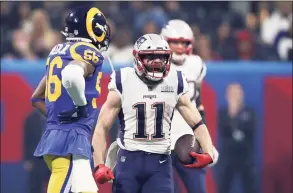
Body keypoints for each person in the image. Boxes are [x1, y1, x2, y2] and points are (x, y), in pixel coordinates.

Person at [91, 33, 215, 193]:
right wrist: (98, 164)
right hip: (129, 161)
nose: (157, 62)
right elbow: (102, 127)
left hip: (160, 163)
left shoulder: (175, 80)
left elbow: (197, 123)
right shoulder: (124, 79)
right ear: (137, 58)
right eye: (150, 57)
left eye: (161, 57)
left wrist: (209, 152)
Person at [30, 6, 111, 193]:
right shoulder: (88, 52)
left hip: (58, 136)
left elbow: (36, 98)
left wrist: (57, 118)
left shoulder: (57, 51)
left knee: (87, 190)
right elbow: (72, 74)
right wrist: (80, 106)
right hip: (70, 139)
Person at [160, 19, 219, 193]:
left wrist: (206, 142)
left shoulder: (196, 64)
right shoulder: (155, 64)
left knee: (198, 188)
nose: (179, 46)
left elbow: (198, 103)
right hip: (161, 137)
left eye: (183, 42)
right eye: (174, 42)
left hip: (188, 135)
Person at [217, 83, 257, 193]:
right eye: (232, 94)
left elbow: (251, 128)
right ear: (227, 96)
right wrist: (232, 114)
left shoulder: (250, 112)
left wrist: (238, 122)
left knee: (250, 186)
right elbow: (224, 128)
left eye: (238, 93)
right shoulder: (223, 113)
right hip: (228, 156)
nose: (236, 97)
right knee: (223, 186)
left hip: (246, 156)